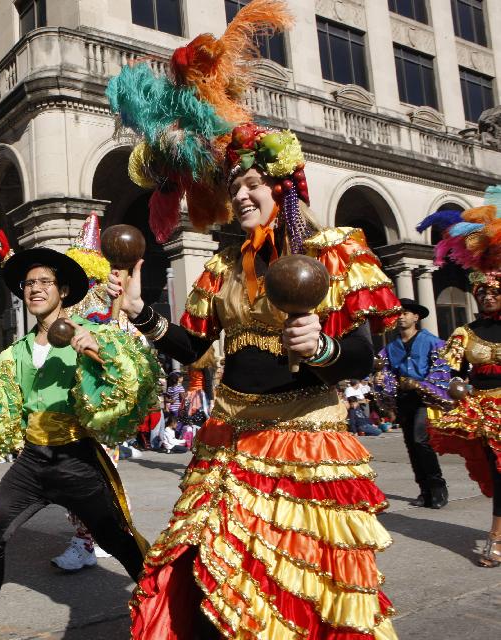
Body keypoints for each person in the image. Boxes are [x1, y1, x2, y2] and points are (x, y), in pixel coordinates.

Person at [107, 35, 403, 634]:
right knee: (197, 568)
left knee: (290, 585)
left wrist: (319, 347)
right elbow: (193, 350)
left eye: (253, 184)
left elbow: (362, 356)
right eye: (233, 186)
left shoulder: (333, 253)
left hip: (303, 441)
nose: (241, 195)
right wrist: (140, 312)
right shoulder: (222, 269)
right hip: (225, 440)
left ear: (283, 185)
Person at [0, 247, 159, 640]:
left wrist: (101, 354)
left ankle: (166, 613)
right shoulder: (14, 354)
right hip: (32, 462)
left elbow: (129, 385)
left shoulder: (86, 331)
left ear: (62, 291)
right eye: (29, 284)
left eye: (45, 282)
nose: (35, 289)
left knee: (118, 541)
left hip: (77, 459)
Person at [419, 195, 501, 566]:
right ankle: (498, 534)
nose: (486, 295)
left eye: (494, 290)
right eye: (481, 290)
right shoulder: (465, 333)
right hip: (483, 414)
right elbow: (446, 372)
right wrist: (450, 387)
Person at [373, 298, 450, 508]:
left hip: (425, 399)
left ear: (416, 317)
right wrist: (382, 379)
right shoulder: (391, 347)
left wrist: (420, 384)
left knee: (420, 440)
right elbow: (386, 372)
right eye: (398, 313)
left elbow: (442, 369)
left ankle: (437, 487)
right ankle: (424, 490)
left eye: (406, 312)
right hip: (403, 399)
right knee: (410, 444)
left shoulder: (432, 341)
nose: (401, 316)